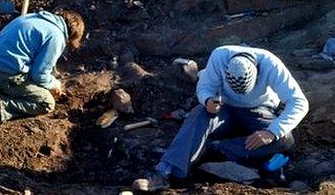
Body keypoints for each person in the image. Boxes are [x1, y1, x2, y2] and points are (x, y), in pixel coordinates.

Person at [132, 45, 309, 191]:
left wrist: (272, 132)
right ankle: (165, 172)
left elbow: (299, 102)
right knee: (199, 114)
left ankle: (216, 149)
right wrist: (208, 100)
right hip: (225, 109)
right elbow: (205, 87)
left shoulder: (271, 64)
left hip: (259, 111)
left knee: (284, 139)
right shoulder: (219, 57)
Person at [0, 10, 85, 129]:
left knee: (31, 84)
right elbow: (39, 75)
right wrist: (54, 84)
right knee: (46, 103)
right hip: (5, 75)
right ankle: (0, 106)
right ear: (72, 35)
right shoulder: (57, 36)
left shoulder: (32, 18)